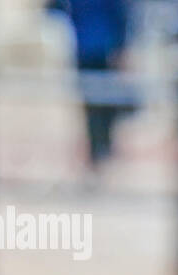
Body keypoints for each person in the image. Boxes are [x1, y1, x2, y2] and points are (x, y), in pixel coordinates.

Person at [57, 0, 131, 168]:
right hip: (100, 47)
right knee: (100, 101)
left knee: (96, 102)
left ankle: (99, 146)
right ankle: (101, 146)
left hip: (91, 48)